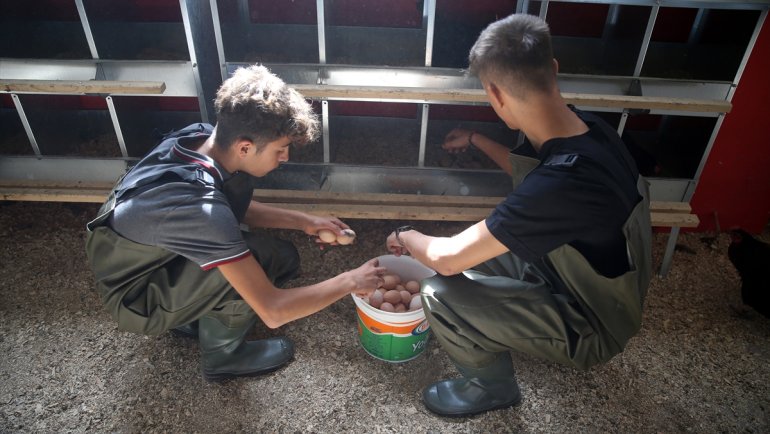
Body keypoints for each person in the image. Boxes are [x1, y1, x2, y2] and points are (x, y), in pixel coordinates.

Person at [386, 14, 652, 417]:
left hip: (593, 325)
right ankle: (514, 321)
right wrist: (476, 139)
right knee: (476, 250)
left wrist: (406, 234)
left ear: (494, 95)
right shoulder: (591, 130)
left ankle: (491, 389)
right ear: (554, 68)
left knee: (438, 291)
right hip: (585, 281)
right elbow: (536, 171)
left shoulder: (562, 186)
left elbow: (445, 258)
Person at [86, 65, 385, 381]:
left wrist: (304, 221)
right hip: (136, 296)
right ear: (245, 147)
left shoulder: (202, 137)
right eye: (280, 149)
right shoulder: (202, 213)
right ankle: (224, 358)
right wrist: (350, 280)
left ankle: (194, 314)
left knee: (280, 257)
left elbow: (226, 205)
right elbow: (273, 310)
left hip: (154, 261)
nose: (284, 157)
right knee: (250, 269)